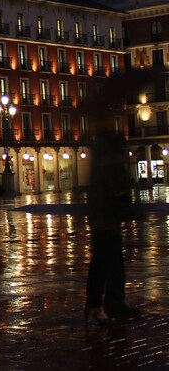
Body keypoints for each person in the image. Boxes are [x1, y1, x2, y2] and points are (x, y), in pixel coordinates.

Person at [84, 133, 142, 324]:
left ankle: (109, 303)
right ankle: (100, 304)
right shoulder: (108, 168)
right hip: (105, 222)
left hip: (105, 221)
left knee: (110, 263)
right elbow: (115, 193)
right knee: (105, 263)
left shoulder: (103, 167)